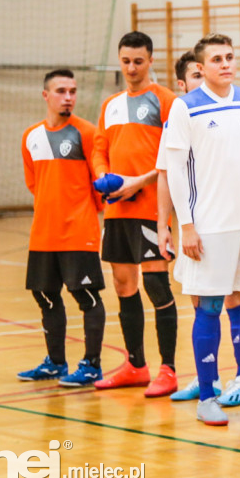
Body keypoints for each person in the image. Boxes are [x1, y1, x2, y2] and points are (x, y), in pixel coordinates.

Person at [164, 33, 240, 426]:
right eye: (217, 59)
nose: (226, 64)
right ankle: (206, 396)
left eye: (230, 57)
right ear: (200, 68)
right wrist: (185, 225)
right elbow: (177, 173)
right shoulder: (185, 107)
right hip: (209, 226)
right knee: (210, 307)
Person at [155, 52, 240, 405]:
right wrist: (165, 225)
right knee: (201, 301)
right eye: (195, 76)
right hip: (198, 225)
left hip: (232, 222)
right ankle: (206, 377)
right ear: (183, 84)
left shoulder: (235, 110)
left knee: (235, 296)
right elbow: (166, 174)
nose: (202, 81)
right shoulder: (180, 117)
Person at [91, 31, 179, 396]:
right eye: (125, 61)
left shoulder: (166, 101)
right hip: (117, 212)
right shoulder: (110, 104)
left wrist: (136, 182)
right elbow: (99, 147)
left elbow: (175, 156)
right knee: (124, 286)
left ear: (151, 60)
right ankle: (135, 364)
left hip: (151, 209)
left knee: (157, 285)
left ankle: (169, 370)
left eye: (138, 61)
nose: (130, 68)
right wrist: (103, 178)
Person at [18, 69, 107, 387]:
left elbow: (98, 181)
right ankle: (56, 362)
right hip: (43, 232)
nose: (68, 97)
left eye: (72, 91)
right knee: (46, 296)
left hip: (78, 232)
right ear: (46, 95)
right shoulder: (30, 136)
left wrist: (85, 215)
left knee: (87, 297)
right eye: (61, 91)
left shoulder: (86, 132)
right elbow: (34, 183)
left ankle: (92, 365)